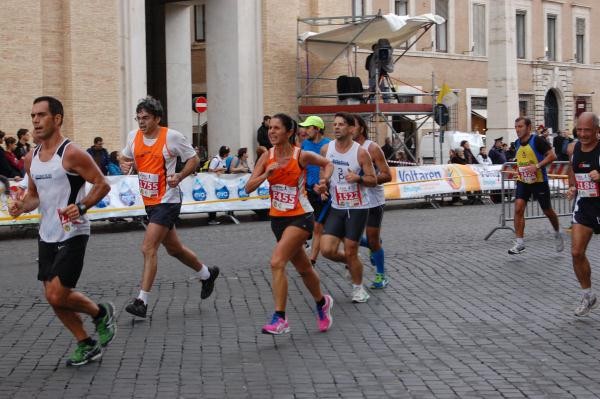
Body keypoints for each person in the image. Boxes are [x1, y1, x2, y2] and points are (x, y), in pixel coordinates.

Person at [8, 96, 115, 367]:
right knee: (53, 297)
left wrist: (81, 206)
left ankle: (100, 313)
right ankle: (86, 342)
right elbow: (34, 195)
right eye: (32, 115)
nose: (35, 120)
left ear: (57, 119)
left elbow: (102, 185)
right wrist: (21, 206)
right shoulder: (31, 158)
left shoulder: (72, 153)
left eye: (41, 115)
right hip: (47, 233)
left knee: (57, 293)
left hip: (73, 232)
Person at [119, 96, 219, 318]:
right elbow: (124, 157)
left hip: (168, 200)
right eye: (139, 118)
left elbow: (193, 158)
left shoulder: (171, 137)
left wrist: (180, 176)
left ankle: (141, 302)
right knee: (174, 249)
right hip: (150, 201)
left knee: (148, 248)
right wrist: (124, 162)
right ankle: (206, 274)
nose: (141, 122)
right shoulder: (133, 137)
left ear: (157, 118)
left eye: (146, 118)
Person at [245, 113, 334, 335]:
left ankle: (280, 318)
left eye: (277, 128)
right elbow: (248, 188)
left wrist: (324, 181)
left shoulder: (301, 156)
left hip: (301, 216)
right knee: (304, 268)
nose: (272, 132)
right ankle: (322, 302)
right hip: (277, 219)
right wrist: (266, 174)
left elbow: (327, 163)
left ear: (289, 132)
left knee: (277, 262)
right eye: (270, 128)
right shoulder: (267, 157)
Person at [320, 112, 377, 303]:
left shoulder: (360, 152)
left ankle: (358, 289)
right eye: (334, 124)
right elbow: (324, 173)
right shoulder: (326, 149)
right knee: (326, 250)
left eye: (341, 124)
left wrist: (358, 178)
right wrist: (322, 186)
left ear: (351, 129)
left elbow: (373, 179)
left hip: (358, 207)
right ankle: (350, 263)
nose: (336, 127)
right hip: (337, 206)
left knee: (351, 248)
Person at [508, 116, 564, 255]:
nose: (517, 129)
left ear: (528, 127)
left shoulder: (538, 140)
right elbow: (520, 160)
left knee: (547, 211)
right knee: (518, 208)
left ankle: (557, 232)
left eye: (520, 126)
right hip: (523, 181)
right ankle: (520, 242)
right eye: (516, 127)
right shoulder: (516, 143)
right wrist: (515, 169)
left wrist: (537, 166)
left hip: (539, 181)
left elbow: (552, 156)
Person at [566, 112, 600, 316]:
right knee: (576, 252)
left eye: (587, 130)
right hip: (585, 205)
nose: (583, 134)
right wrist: (572, 186)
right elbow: (573, 169)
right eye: (580, 129)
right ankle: (588, 296)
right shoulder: (574, 147)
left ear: (597, 130)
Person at [352, 115, 392, 288]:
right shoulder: (345, 149)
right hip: (352, 201)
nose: (346, 129)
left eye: (350, 126)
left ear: (361, 128)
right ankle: (373, 245)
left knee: (373, 239)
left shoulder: (372, 148)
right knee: (345, 237)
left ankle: (381, 275)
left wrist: (366, 178)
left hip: (373, 201)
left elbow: (387, 174)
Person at [299, 115, 331, 265]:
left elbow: (328, 167)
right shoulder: (304, 144)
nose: (305, 131)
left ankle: (312, 260)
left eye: (308, 127)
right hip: (308, 189)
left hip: (324, 190)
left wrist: (325, 188)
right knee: (304, 223)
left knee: (318, 226)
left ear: (317, 129)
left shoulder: (329, 145)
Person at [206, 145, 231, 225]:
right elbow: (210, 170)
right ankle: (211, 218)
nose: (228, 155)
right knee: (213, 200)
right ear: (224, 153)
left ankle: (228, 214)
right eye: (227, 153)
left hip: (219, 183)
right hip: (213, 184)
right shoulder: (216, 160)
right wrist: (219, 169)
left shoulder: (223, 159)